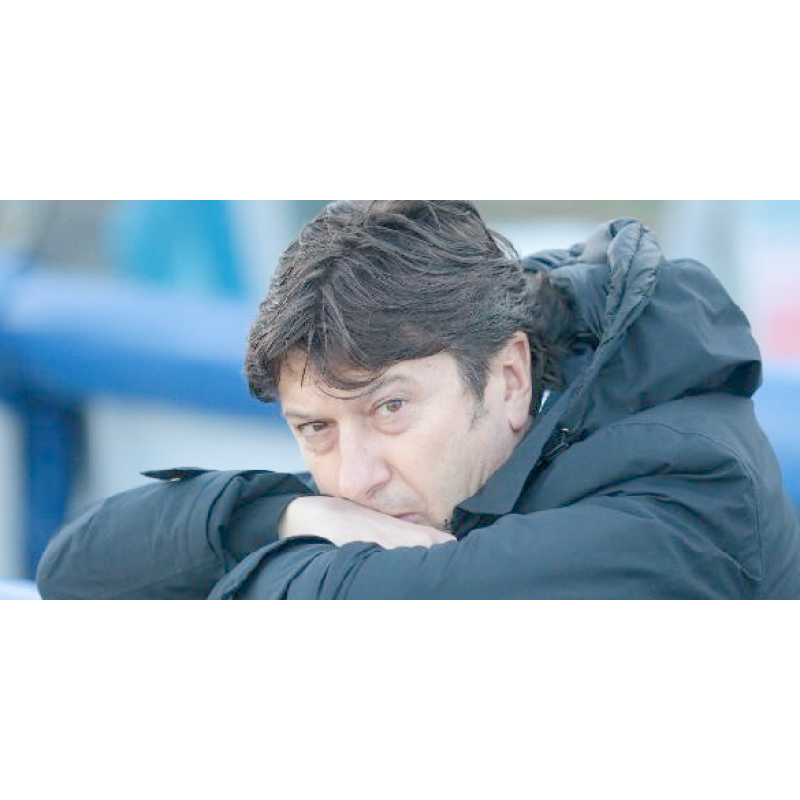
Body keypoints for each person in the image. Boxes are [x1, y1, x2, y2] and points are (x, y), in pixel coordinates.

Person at [36, 201, 800, 599]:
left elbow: (394, 608)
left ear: (508, 377)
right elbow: (76, 568)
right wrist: (288, 516)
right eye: (315, 428)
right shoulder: (427, 464)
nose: (354, 478)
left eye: (390, 408)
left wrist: (252, 566)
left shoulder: (687, 490)